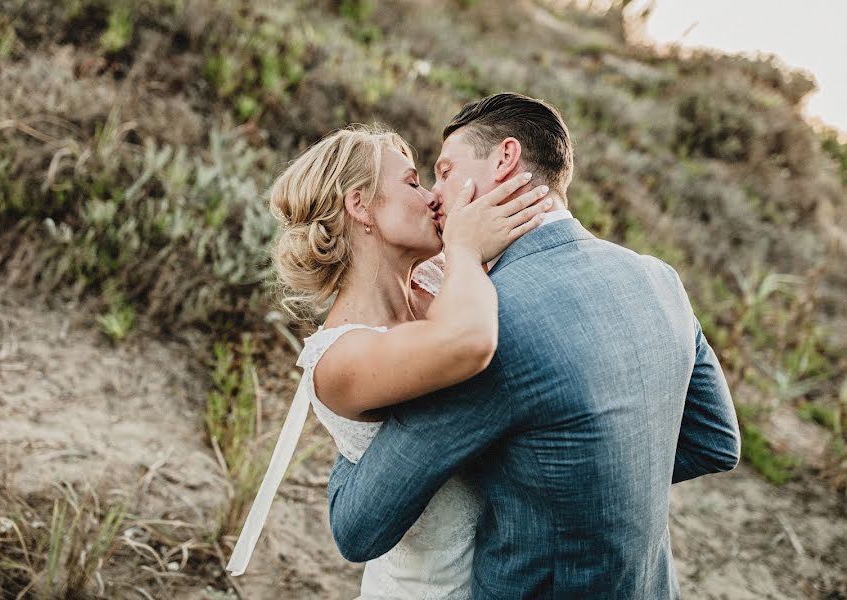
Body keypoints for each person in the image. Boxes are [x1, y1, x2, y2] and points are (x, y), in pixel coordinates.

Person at [326, 93, 741, 599]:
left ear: (505, 159)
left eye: (447, 171)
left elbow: (357, 526)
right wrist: (587, 489)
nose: (436, 195)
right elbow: (714, 441)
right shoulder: (657, 278)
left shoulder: (490, 324)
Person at [225, 123, 555, 598]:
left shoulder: (439, 280)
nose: (433, 198)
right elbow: (467, 342)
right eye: (412, 183)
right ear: (361, 206)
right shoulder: (339, 358)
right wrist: (464, 247)